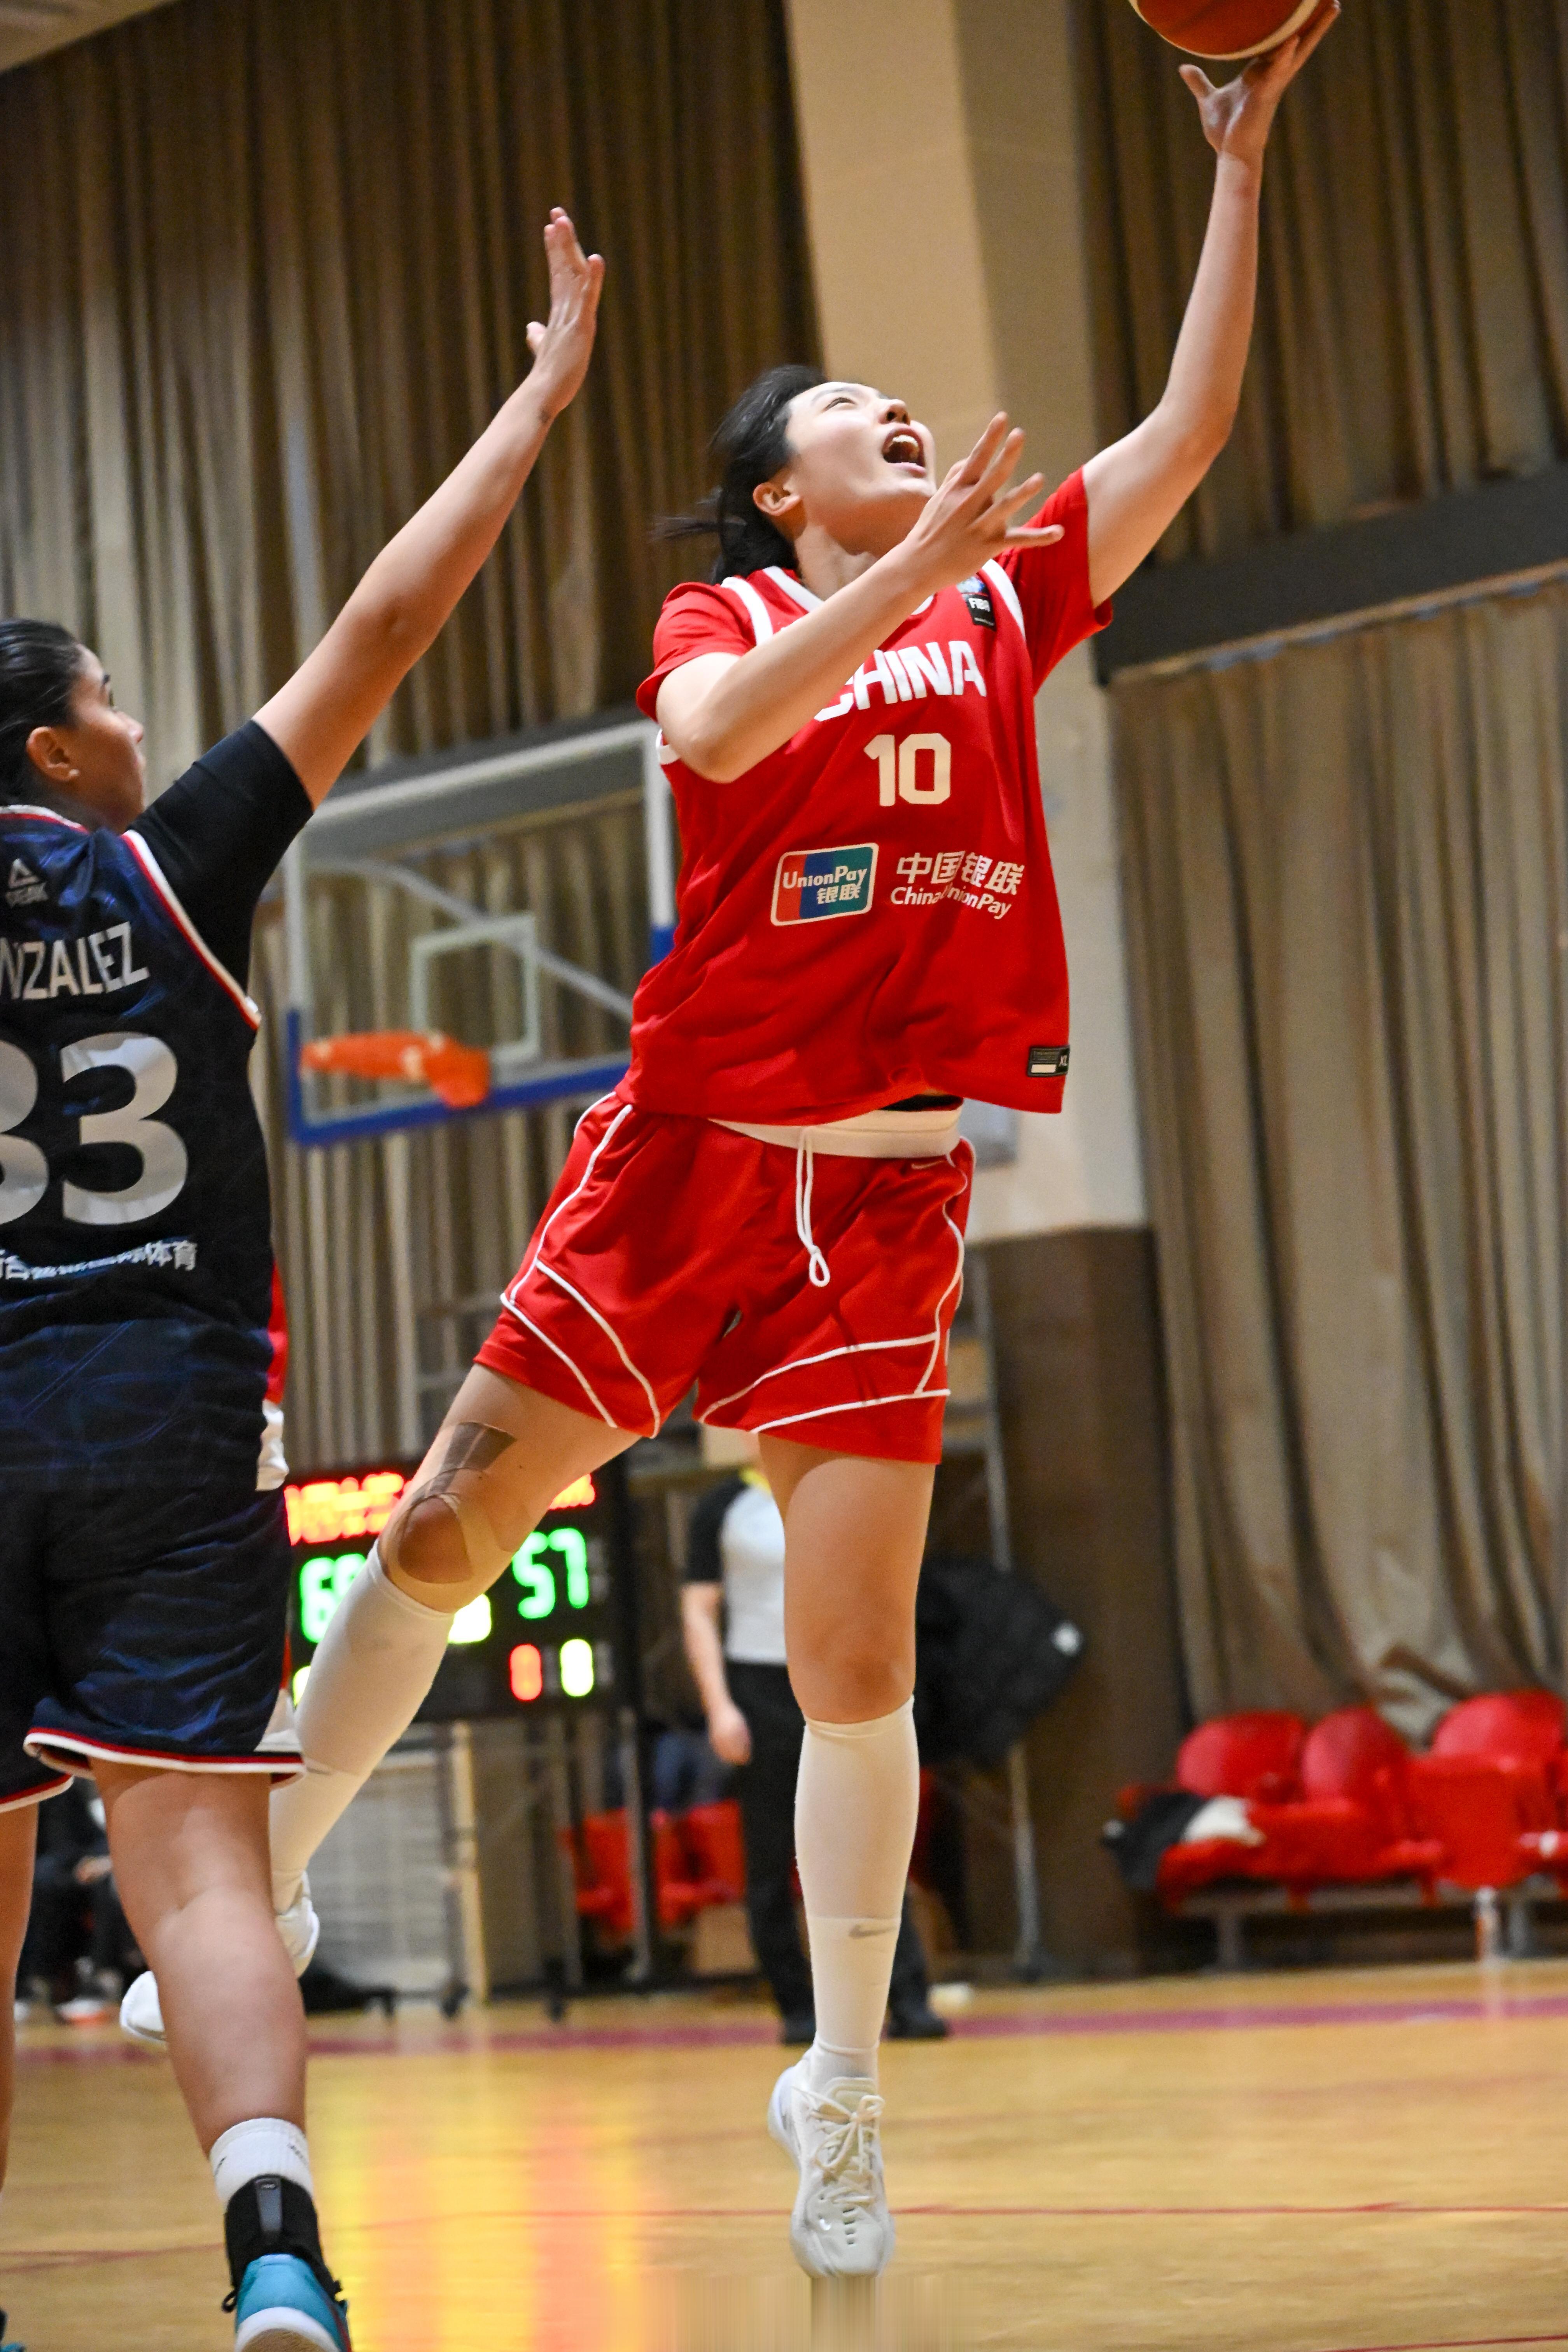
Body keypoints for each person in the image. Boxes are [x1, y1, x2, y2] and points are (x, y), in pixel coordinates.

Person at [127, 11, 1335, 2284]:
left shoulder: (1006, 595)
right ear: (784, 490)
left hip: (883, 1187)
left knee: (858, 1664)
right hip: (694, 1149)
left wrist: (1236, 162)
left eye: (907, 402)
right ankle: (265, 1878)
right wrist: (910, 572)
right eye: (852, 409)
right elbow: (710, 731)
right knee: (456, 1519)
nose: (903, 413)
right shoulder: (749, 607)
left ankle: (840, 2084)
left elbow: (1187, 427)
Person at [0, 212, 603, 2352]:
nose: (134, 721)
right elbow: (386, 615)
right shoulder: (173, 863)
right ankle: (274, 2259)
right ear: (57, 751)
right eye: (109, 696)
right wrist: (534, 402)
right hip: (169, 1411)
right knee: (198, 1868)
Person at [681, 1448, 947, 2044]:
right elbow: (698, 1610)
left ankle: (907, 1998)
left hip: (835, 1679)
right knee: (771, 1858)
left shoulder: (837, 1487)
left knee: (869, 1845)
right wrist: (720, 1707)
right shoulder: (723, 1506)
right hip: (759, 1687)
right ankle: (797, 2008)